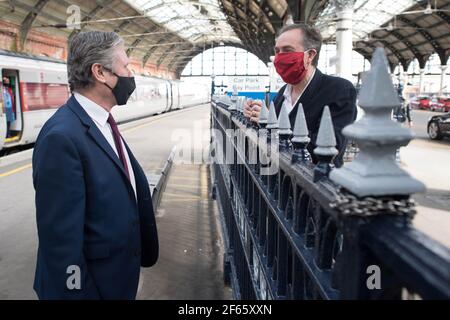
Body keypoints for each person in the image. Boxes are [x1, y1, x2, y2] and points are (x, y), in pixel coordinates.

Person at [32, 31, 159, 300]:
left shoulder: (102, 124)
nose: (129, 74)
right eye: (125, 66)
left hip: (117, 278)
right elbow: (61, 245)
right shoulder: (61, 138)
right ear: (100, 73)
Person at [244, 23, 357, 167]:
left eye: (287, 50)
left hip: (314, 184)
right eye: (277, 51)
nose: (279, 57)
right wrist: (259, 119)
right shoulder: (282, 93)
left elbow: (328, 150)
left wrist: (275, 127)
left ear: (310, 55)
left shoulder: (339, 90)